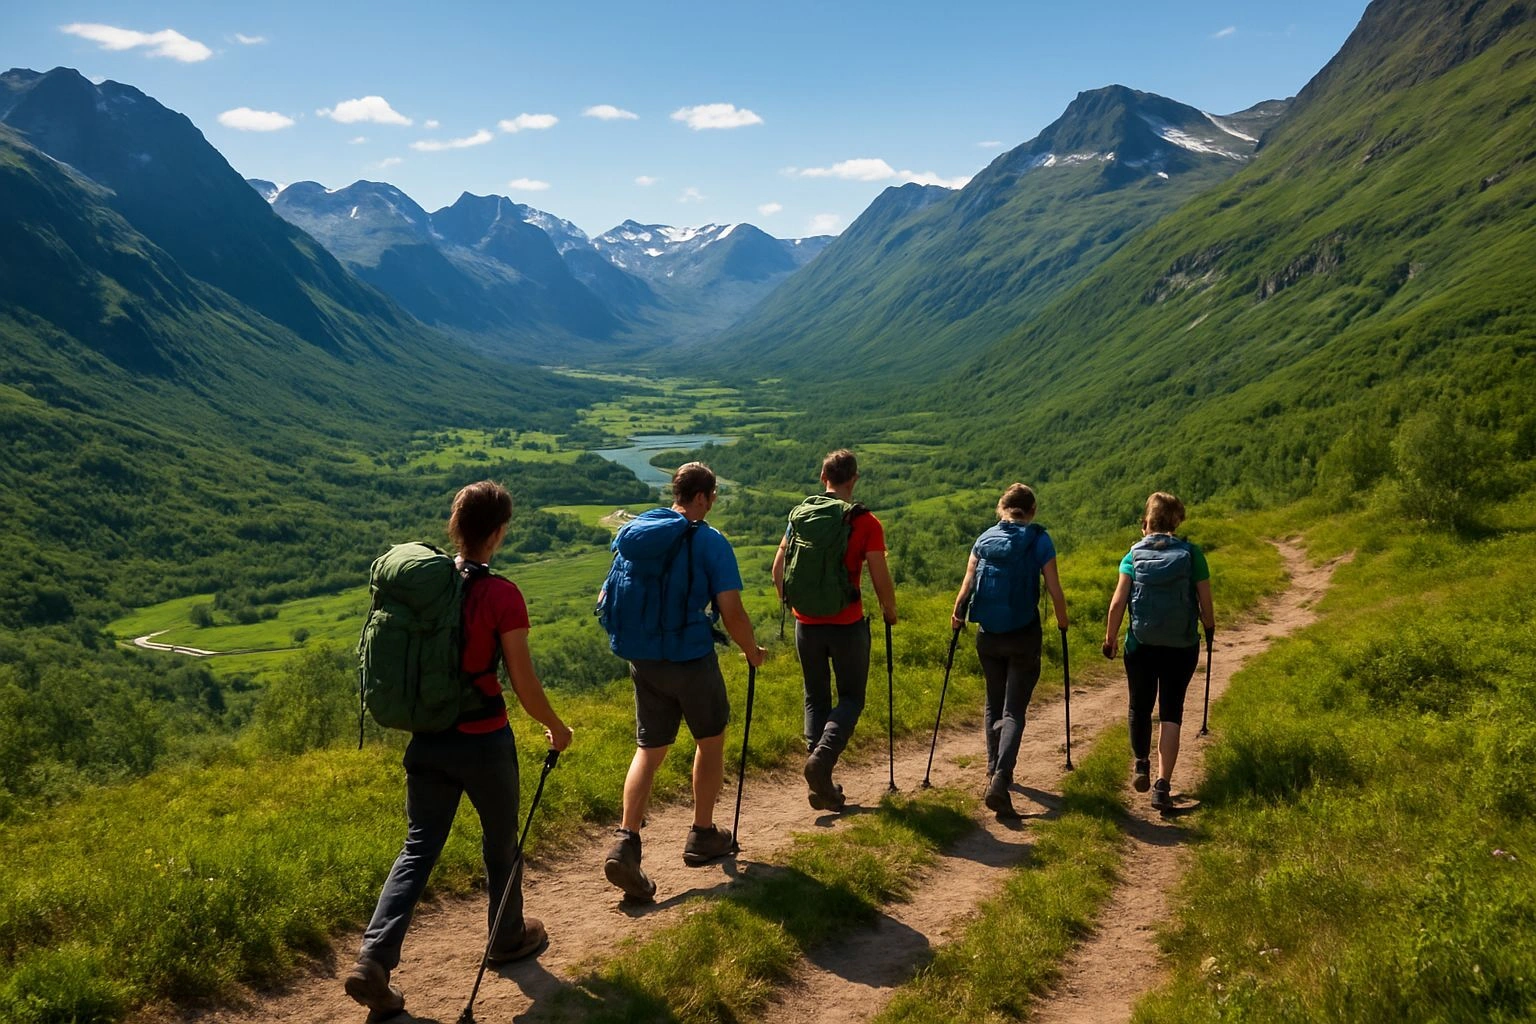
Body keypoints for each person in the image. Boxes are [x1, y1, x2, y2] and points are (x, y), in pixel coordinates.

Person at [345, 481, 574, 1020]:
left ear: (455, 526)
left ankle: (373, 958)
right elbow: (523, 683)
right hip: (484, 741)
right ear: (497, 533)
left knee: (419, 846)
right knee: (501, 845)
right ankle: (507, 937)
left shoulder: (431, 589)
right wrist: (556, 727)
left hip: (429, 739)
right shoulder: (501, 595)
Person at [602, 462, 766, 903]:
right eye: (711, 496)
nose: (712, 503)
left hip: (643, 660)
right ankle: (702, 834)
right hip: (690, 660)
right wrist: (752, 650)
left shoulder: (639, 534)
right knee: (709, 741)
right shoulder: (710, 541)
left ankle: (626, 841)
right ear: (702, 497)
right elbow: (731, 610)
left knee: (649, 749)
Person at [772, 449, 897, 812]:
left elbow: (777, 570)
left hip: (806, 624)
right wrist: (890, 611)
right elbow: (879, 575)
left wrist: (795, 605)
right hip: (846, 624)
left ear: (822, 477)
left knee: (815, 696)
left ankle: (819, 779)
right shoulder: (866, 522)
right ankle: (822, 762)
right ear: (853, 479)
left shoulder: (799, 517)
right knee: (852, 699)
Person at [950, 484, 1068, 819]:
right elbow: (1054, 589)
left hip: (987, 635)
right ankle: (1001, 779)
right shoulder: (1038, 539)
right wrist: (1062, 623)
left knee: (993, 702)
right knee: (1014, 710)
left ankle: (992, 770)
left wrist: (958, 616)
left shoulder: (984, 540)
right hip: (1023, 635)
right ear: (1031, 511)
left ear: (1002, 509)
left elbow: (967, 586)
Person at [1102, 492, 1215, 812]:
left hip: (1141, 644)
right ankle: (1162, 786)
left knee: (1139, 706)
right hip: (1181, 645)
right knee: (1171, 710)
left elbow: (1117, 603)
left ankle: (1141, 763)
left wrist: (1110, 640)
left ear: (1146, 522)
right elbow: (1205, 602)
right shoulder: (1192, 555)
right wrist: (1208, 628)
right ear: (1176, 521)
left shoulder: (1132, 556)